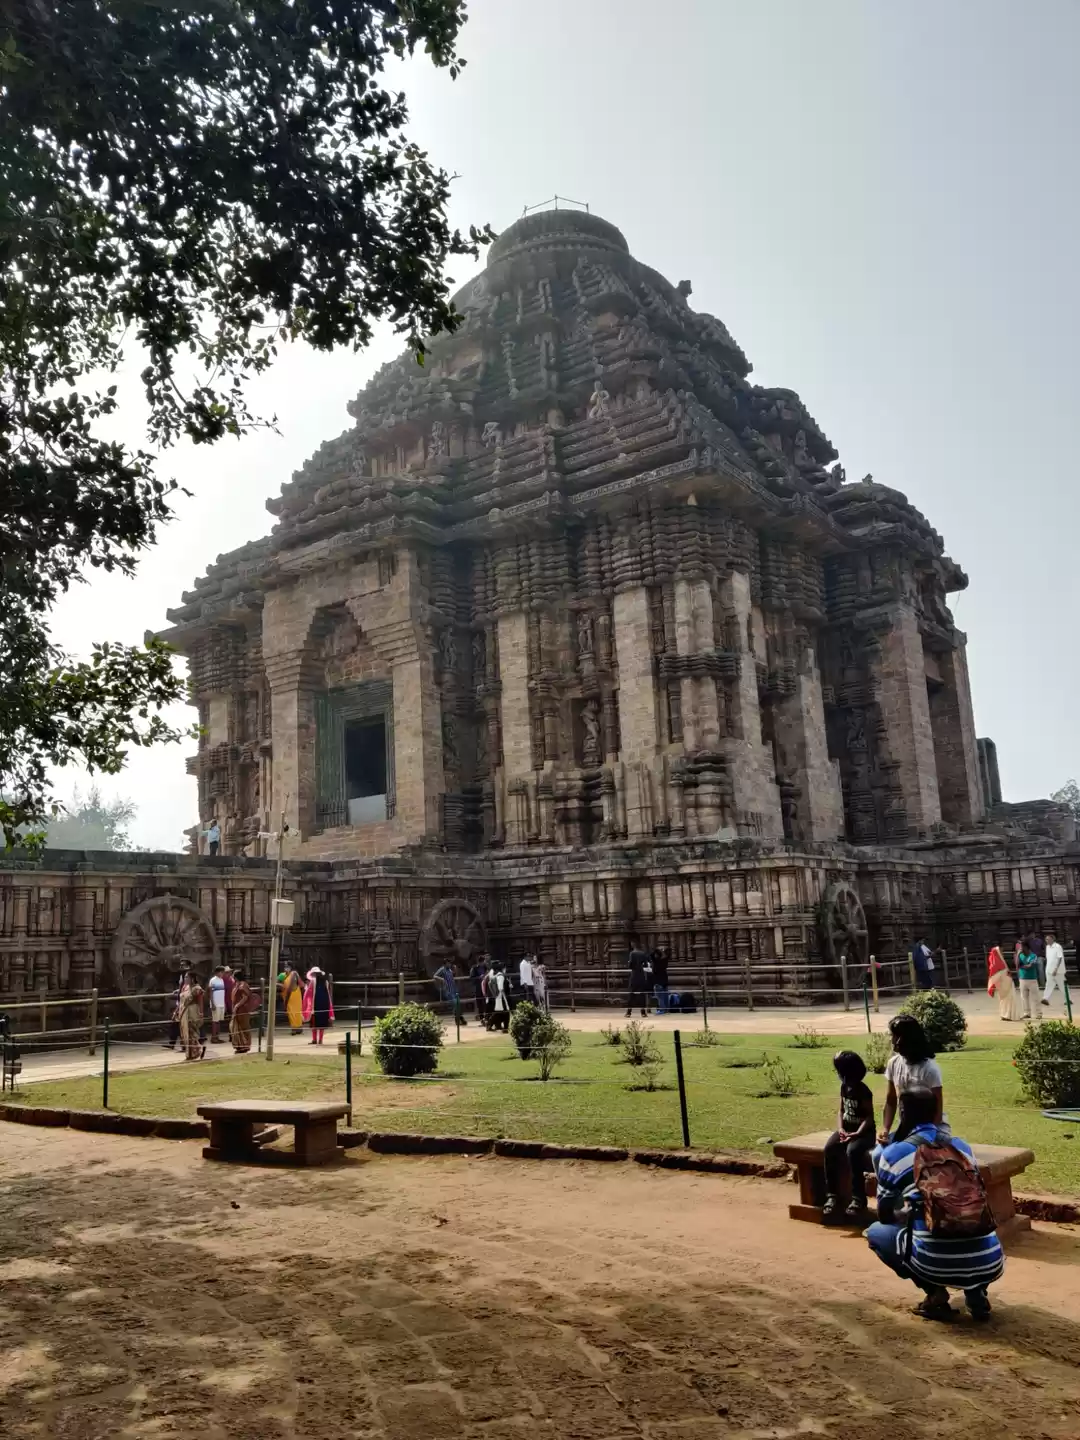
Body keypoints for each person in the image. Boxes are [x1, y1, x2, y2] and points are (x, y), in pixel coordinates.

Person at [865, 1087, 1003, 1322]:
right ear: (936, 1111)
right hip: (991, 1260)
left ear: (902, 1112)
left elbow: (885, 1214)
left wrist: (908, 1214)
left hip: (935, 1263)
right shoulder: (963, 1148)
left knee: (876, 1232)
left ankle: (935, 1293)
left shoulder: (894, 1154)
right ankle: (976, 1292)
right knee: (965, 1225)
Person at [878, 1014, 946, 1144]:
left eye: (895, 1036)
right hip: (906, 1128)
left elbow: (937, 1111)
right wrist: (885, 1129)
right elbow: (891, 1100)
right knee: (877, 1154)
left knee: (898, 1154)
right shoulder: (894, 1063)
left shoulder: (929, 1069)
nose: (892, 1040)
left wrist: (930, 1140)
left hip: (931, 1129)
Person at [986, 945, 1019, 1022]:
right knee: (1007, 1000)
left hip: (1006, 984)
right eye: (1000, 951)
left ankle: (1006, 1014)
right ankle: (1007, 1015)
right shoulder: (996, 965)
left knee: (1007, 1000)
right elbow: (995, 977)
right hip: (1005, 985)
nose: (1002, 953)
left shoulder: (1000, 963)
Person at [177, 971, 205, 1061]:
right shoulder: (185, 987)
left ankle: (196, 1051)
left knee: (191, 1032)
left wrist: (201, 1014)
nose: (185, 979)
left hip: (192, 1012)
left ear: (192, 979)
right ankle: (191, 1052)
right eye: (185, 977)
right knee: (185, 1033)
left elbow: (200, 1002)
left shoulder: (197, 988)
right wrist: (176, 1012)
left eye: (187, 977)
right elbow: (181, 1001)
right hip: (184, 1012)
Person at [228, 968, 258, 1053]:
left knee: (243, 1027)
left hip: (242, 1009)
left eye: (233, 975)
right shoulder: (236, 984)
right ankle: (239, 1046)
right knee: (235, 1027)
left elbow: (245, 997)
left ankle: (245, 1046)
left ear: (236, 977)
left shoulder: (243, 985)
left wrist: (237, 1005)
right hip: (236, 1010)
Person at [304, 966, 333, 1045]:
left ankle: (314, 1040)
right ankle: (320, 1040)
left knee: (314, 1023)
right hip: (324, 1004)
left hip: (315, 1004)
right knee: (322, 1023)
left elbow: (308, 994)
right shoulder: (326, 982)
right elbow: (328, 993)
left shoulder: (313, 982)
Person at [625, 939, 651, 1017]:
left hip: (634, 975)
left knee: (631, 993)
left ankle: (629, 1012)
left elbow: (630, 965)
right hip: (641, 975)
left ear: (633, 944)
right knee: (642, 994)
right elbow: (646, 965)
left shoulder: (632, 953)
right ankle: (643, 1012)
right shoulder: (643, 953)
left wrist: (629, 963)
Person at [1016, 942, 1041, 1021]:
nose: (1021, 949)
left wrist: (1022, 966)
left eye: (1022, 947)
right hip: (1022, 978)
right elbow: (1017, 966)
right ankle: (1026, 1013)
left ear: (1027, 947)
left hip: (1032, 979)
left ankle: (1038, 1013)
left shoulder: (1033, 956)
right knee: (1024, 997)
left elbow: (1030, 966)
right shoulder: (1020, 955)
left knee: (1035, 997)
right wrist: (1017, 955)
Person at [1043, 930, 1067, 1009]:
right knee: (1049, 984)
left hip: (1058, 970)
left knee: (1062, 985)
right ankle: (1045, 998)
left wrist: (1056, 969)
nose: (1047, 941)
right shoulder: (1047, 947)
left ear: (1053, 939)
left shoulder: (1057, 946)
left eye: (1048, 939)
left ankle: (1068, 999)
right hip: (1049, 969)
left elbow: (1059, 958)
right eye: (1046, 939)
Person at [281, 964, 304, 1035]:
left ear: (290, 968)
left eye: (287, 967)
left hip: (294, 994)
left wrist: (286, 1001)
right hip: (290, 994)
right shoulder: (283, 975)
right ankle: (297, 1028)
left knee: (295, 1011)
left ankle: (296, 1028)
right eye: (285, 967)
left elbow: (290, 988)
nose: (286, 968)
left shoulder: (293, 973)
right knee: (291, 1011)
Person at [207, 966, 227, 1044]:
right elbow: (210, 993)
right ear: (218, 972)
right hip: (216, 1003)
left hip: (221, 1003)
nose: (223, 974)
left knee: (218, 1021)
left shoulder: (222, 980)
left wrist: (224, 1004)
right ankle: (213, 1037)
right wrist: (213, 1003)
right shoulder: (213, 980)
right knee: (215, 1021)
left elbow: (222, 993)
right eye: (222, 972)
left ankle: (217, 1037)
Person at [489, 964, 511, 1032]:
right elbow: (500, 987)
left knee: (498, 1012)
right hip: (501, 996)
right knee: (506, 1012)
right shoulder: (501, 976)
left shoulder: (497, 975)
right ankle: (505, 1028)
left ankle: (489, 1024)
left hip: (498, 997)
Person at [650, 946, 670, 1016]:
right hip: (665, 981)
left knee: (660, 997)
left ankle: (662, 1010)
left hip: (658, 981)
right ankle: (666, 1009)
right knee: (665, 996)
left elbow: (651, 955)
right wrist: (662, 951)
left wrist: (657, 949)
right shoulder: (664, 961)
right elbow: (667, 955)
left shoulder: (656, 962)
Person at [163, 981, 183, 1049]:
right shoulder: (183, 989)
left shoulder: (187, 990)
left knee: (180, 1028)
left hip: (181, 1010)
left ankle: (183, 1045)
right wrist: (177, 990)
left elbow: (181, 1003)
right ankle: (172, 1043)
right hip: (179, 1009)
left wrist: (175, 1012)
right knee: (174, 1026)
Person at [470, 955, 488, 1020]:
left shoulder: (485, 967)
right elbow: (471, 977)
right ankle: (481, 1017)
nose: (484, 963)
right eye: (484, 961)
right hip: (478, 987)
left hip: (485, 986)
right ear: (481, 962)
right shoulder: (474, 968)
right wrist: (479, 977)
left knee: (486, 1002)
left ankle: (486, 1016)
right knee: (479, 1003)